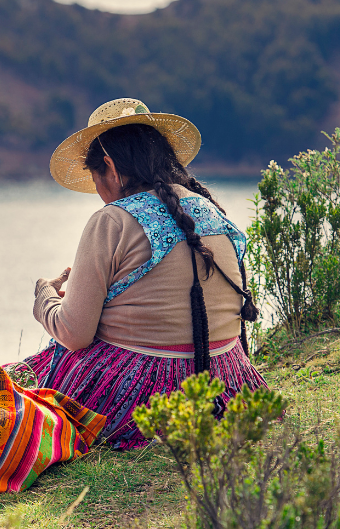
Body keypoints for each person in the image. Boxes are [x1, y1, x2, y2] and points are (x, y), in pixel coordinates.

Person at [22, 98, 267, 449]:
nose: (99, 194)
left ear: (108, 165)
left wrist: (44, 294)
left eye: (95, 178)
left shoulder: (112, 220)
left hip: (149, 389)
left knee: (35, 368)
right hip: (225, 381)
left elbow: (74, 334)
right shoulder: (209, 208)